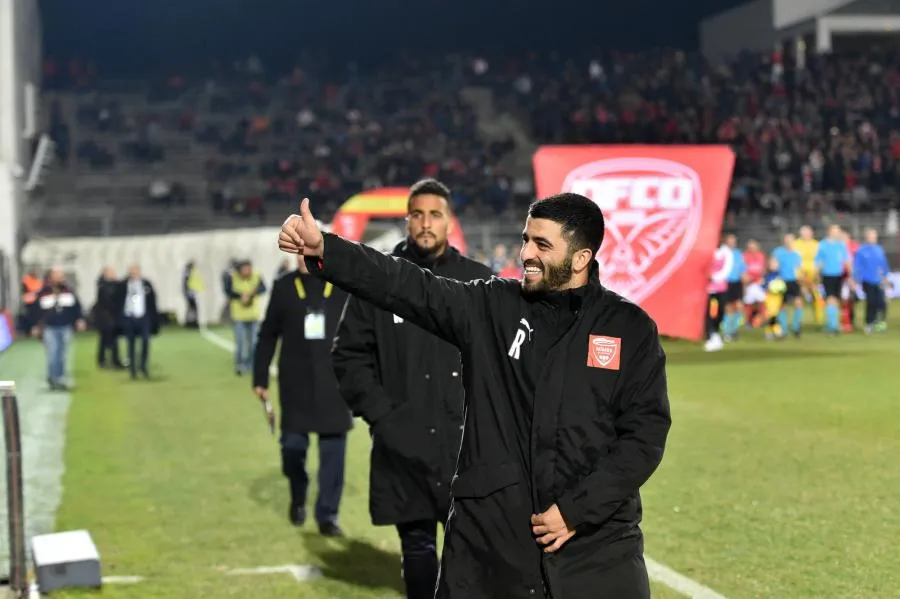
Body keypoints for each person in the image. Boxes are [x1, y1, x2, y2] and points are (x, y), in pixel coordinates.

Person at [280, 194, 671, 599]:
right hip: (494, 546)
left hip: (597, 549)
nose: (525, 254)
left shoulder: (630, 329)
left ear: (581, 257)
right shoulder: (492, 307)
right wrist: (327, 248)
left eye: (542, 244)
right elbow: (407, 285)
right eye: (525, 239)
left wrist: (577, 512)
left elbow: (644, 436)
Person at [331, 179, 493, 598]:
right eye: (417, 215)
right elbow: (348, 355)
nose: (425, 224)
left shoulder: (478, 283)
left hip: (467, 447)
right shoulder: (379, 282)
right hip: (405, 444)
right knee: (418, 551)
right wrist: (385, 417)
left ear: (449, 220)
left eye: (434, 214)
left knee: (474, 554)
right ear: (406, 221)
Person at [253, 254, 352, 537]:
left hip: (334, 384)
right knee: (292, 449)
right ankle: (298, 493)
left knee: (334, 457)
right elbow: (268, 334)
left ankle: (327, 516)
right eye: (298, 251)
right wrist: (260, 377)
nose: (303, 256)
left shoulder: (342, 285)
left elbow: (362, 332)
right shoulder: (285, 287)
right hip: (295, 384)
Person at [30, 267, 86, 390]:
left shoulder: (69, 291)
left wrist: (80, 319)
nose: (60, 277)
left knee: (62, 354)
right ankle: (52, 377)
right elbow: (35, 311)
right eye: (57, 275)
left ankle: (60, 377)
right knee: (52, 353)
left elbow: (77, 307)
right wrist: (35, 325)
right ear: (51, 277)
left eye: (61, 275)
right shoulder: (43, 293)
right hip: (50, 327)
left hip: (65, 326)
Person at [117, 265, 160, 379]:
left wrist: (154, 319)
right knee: (131, 344)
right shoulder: (123, 285)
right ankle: (133, 370)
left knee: (145, 342)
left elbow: (152, 301)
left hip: (143, 318)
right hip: (129, 317)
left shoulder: (146, 284)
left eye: (136, 271)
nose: (134, 274)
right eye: (132, 272)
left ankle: (143, 366)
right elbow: (117, 301)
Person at [229, 260, 267, 375]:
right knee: (240, 342)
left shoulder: (257, 275)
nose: (247, 271)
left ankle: (251, 364)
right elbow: (228, 291)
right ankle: (240, 364)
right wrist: (241, 295)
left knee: (253, 342)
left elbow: (264, 288)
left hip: (253, 315)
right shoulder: (232, 277)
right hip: (239, 315)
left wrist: (252, 294)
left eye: (248, 268)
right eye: (244, 269)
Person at [815, 225, 851, 335]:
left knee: (835, 300)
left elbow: (846, 260)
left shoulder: (841, 245)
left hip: (838, 276)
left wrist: (850, 275)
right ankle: (833, 326)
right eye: (835, 232)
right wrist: (816, 275)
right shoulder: (823, 244)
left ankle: (832, 324)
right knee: (830, 298)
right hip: (827, 275)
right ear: (829, 232)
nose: (837, 234)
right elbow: (818, 261)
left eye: (838, 232)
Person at [853, 228, 890, 334]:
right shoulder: (862, 250)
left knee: (882, 302)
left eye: (874, 236)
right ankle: (868, 323)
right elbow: (857, 266)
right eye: (870, 236)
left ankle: (880, 324)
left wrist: (885, 277)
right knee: (871, 302)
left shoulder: (879, 249)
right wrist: (857, 278)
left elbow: (884, 265)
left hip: (879, 280)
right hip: (867, 280)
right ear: (866, 237)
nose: (872, 238)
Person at [771, 234, 804, 337]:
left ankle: (796, 327)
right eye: (787, 240)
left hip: (794, 281)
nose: (789, 242)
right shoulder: (778, 252)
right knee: (782, 305)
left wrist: (801, 278)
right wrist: (775, 266)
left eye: (790, 240)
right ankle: (783, 328)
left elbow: (799, 267)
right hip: (782, 281)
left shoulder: (796, 253)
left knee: (798, 303)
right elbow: (773, 266)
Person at [705, 239, 733, 353]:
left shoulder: (726, 252)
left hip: (720, 287)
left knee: (720, 310)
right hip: (708, 288)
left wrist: (715, 277)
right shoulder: (707, 250)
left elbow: (727, 268)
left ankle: (716, 330)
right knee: (709, 312)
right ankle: (710, 334)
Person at [94, 266, 124, 369]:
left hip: (112, 316)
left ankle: (111, 360)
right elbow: (108, 301)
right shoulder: (103, 286)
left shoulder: (115, 285)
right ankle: (105, 360)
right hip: (106, 317)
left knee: (112, 339)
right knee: (106, 339)